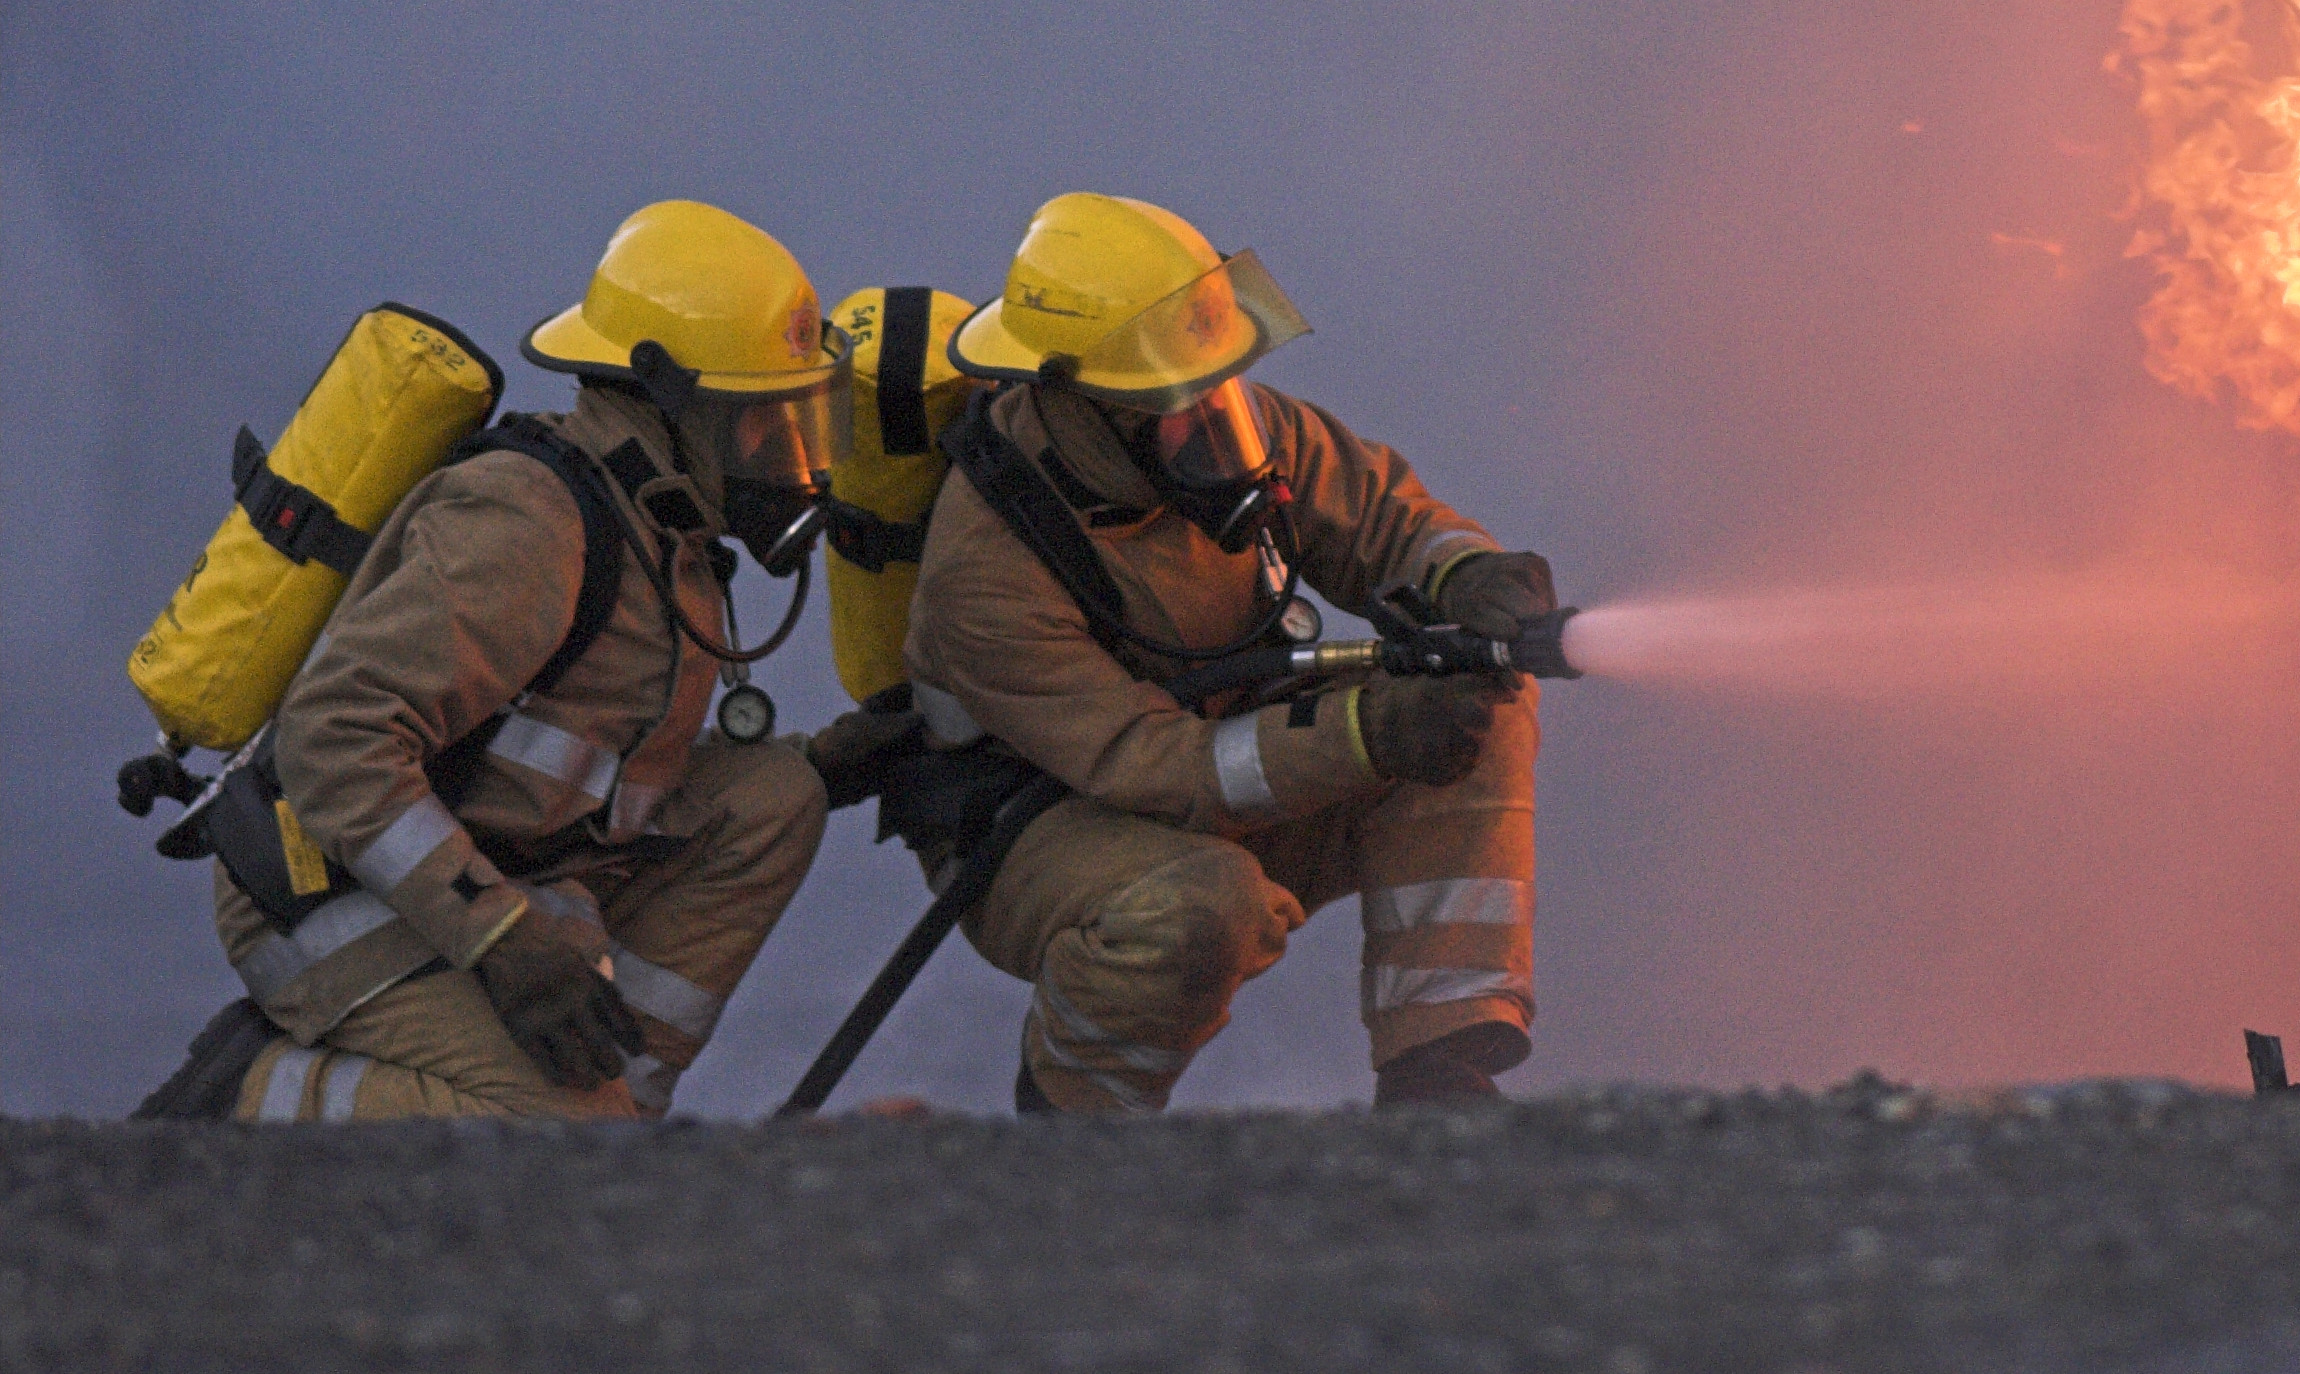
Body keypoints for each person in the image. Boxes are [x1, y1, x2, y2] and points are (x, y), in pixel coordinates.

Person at [152, 201, 904, 1120]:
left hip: (506, 865)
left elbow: (583, 759)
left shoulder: (664, 530)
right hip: (327, 886)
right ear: (661, 402)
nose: (790, 463)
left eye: (800, 426)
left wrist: (825, 767)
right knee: (541, 1132)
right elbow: (334, 741)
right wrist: (500, 938)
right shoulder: (525, 522)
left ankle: (613, 1116)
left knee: (774, 798)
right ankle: (250, 1098)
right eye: (758, 429)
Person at [902, 191, 1557, 1111]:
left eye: (1217, 384)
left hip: (1227, 769)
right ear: (1079, 405)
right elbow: (1156, 766)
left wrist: (1468, 578)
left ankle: (1437, 1071)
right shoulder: (983, 574)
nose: (1215, 425)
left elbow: (1381, 520)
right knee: (1196, 906)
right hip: (1043, 830)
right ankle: (1071, 1128)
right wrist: (1369, 734)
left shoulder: (1232, 425)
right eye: (1175, 400)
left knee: (1474, 700)